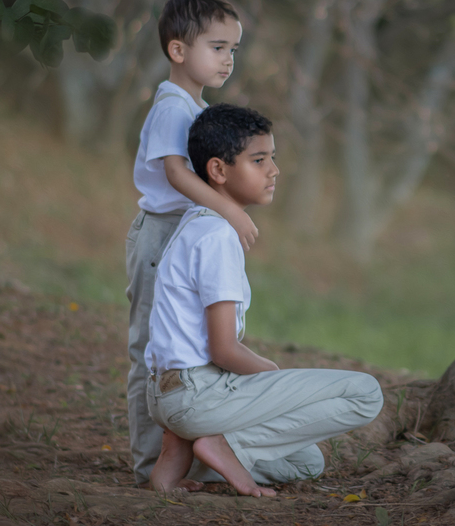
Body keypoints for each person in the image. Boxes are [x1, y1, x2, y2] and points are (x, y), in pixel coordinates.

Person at [145, 104, 384, 496]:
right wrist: (273, 376)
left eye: (273, 158)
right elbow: (222, 350)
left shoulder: (195, 221)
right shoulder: (218, 236)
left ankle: (183, 454)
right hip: (196, 393)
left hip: (169, 395)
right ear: (219, 171)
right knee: (365, 393)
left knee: (306, 463)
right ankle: (221, 446)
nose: (273, 170)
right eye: (259, 160)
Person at [125, 0, 258, 487]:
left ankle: (191, 453)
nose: (227, 60)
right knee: (154, 352)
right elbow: (178, 176)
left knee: (191, 348)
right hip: (160, 237)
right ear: (178, 50)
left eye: (233, 50)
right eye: (217, 47)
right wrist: (231, 212)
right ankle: (148, 464)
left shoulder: (195, 106)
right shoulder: (171, 107)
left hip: (182, 236)